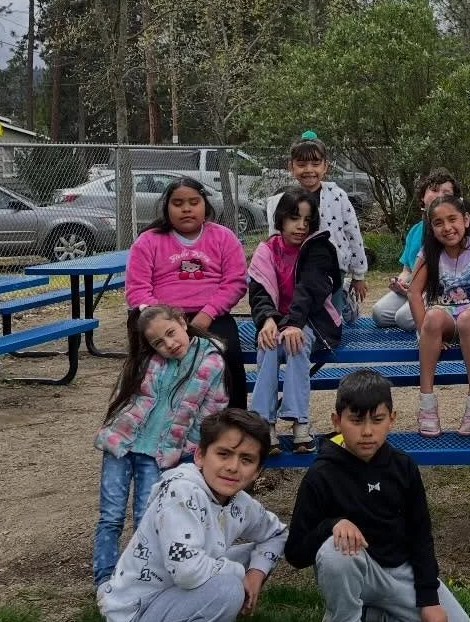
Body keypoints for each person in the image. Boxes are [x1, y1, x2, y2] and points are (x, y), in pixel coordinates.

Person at [285, 370, 470, 622]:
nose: (367, 432)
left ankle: (365, 613)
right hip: (354, 568)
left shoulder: (404, 467)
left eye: (377, 420)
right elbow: (296, 553)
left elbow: (421, 535)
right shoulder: (320, 475)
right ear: (336, 421)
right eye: (356, 421)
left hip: (398, 569)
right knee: (335, 551)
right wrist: (331, 525)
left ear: (392, 419)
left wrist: (428, 599)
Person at [98, 409, 286, 622]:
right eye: (223, 454)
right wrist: (240, 576)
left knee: (250, 560)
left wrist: (255, 576)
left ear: (258, 470)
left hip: (168, 602)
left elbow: (277, 533)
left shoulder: (240, 502)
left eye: (246, 460)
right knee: (227, 587)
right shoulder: (181, 492)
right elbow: (187, 572)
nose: (233, 467)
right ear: (200, 456)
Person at [92, 304, 230, 589]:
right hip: (121, 447)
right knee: (111, 516)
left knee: (149, 520)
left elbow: (210, 414)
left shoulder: (211, 362)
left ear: (182, 322)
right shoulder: (145, 361)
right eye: (158, 342)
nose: (169, 344)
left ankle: (142, 579)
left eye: (171, 333)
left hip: (160, 457)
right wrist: (112, 429)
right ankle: (104, 580)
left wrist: (186, 452)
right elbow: (122, 396)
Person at [125, 177, 248, 408]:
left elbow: (235, 282)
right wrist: (164, 320)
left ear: (205, 205)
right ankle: (156, 420)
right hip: (162, 320)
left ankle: (236, 422)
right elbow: (137, 289)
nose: (186, 208)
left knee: (229, 359)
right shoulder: (148, 241)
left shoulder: (223, 237)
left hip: (212, 317)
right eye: (178, 203)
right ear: (166, 207)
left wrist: (208, 314)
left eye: (194, 201)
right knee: (155, 366)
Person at [247, 185, 343, 452]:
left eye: (307, 220)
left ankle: (299, 421)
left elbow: (310, 291)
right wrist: (267, 320)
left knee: (295, 343)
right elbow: (259, 292)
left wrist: (292, 324)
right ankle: (264, 423)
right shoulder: (267, 250)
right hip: (278, 321)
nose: (301, 226)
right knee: (267, 342)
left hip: (314, 320)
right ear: (280, 219)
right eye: (294, 218)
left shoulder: (319, 247)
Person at [407, 194, 470, 436]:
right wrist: (423, 330)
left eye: (452, 219)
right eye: (438, 223)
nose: (447, 228)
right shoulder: (429, 252)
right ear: (432, 228)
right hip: (444, 313)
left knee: (469, 319)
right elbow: (414, 293)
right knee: (433, 317)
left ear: (466, 219)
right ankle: (426, 402)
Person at [267, 133, 369, 321]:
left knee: (331, 315)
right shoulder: (283, 200)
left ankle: (344, 303)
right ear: (291, 167)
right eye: (301, 164)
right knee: (303, 308)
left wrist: (359, 274)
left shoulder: (337, 196)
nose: (309, 170)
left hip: (333, 265)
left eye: (315, 164)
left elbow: (353, 233)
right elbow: (276, 237)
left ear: (325, 167)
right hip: (298, 264)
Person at [371, 170, 458, 331]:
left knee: (403, 318)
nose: (440, 195)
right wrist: (400, 282)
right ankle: (421, 314)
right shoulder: (415, 230)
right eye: (434, 190)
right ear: (422, 198)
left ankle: (441, 320)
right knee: (379, 313)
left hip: (439, 292)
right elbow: (407, 269)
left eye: (446, 192)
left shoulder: (452, 231)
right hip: (412, 290)